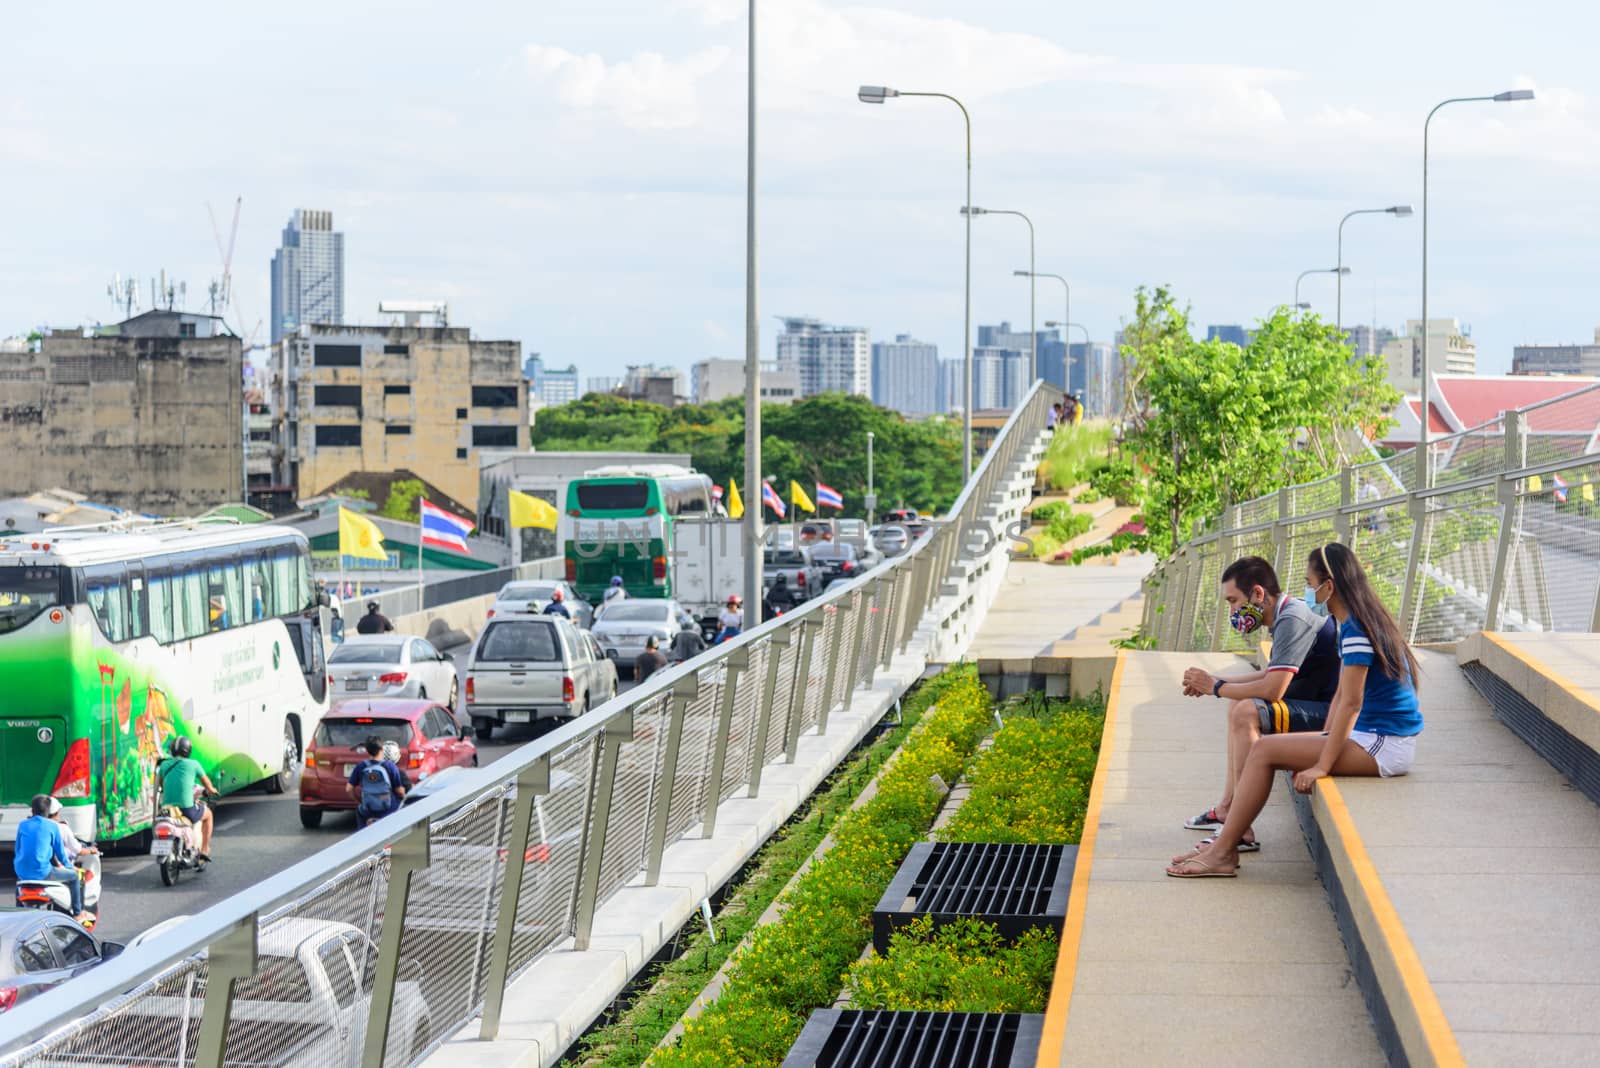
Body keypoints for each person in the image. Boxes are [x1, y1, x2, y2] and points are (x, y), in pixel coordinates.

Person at [1168, 543, 1422, 878]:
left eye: (1311, 582)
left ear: (1329, 586)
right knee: (1265, 749)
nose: (1308, 590)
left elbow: (1351, 703)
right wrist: (1319, 743)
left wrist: (1321, 765)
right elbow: (1341, 697)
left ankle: (1223, 852)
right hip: (1367, 736)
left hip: (1384, 745)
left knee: (1262, 752)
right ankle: (1223, 849)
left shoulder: (1356, 630)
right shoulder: (1353, 624)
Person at [1178, 556, 1340, 851]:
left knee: (1245, 710)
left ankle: (1240, 830)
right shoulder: (1285, 615)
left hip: (1330, 716)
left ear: (1257, 594)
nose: (1232, 610)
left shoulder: (1293, 618)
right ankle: (1228, 806)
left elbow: (1273, 690)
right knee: (1238, 705)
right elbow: (1272, 673)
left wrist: (1215, 687)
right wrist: (1214, 680)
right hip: (1315, 706)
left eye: (1233, 600)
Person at [13, 795, 90, 923]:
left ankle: (19, 914)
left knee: (19, 886)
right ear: (48, 811)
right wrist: (70, 868)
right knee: (74, 877)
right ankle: (78, 913)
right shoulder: (53, 826)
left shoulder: (23, 825)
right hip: (44, 873)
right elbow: (60, 854)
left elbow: (18, 850)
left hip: (21, 871)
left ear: (32, 810)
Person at [158, 736, 217, 861]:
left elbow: (161, 785)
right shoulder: (193, 764)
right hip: (186, 809)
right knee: (209, 815)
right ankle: (205, 850)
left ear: (173, 750)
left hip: (167, 809)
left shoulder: (164, 765)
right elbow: (206, 783)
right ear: (188, 750)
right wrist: (212, 790)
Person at [347, 738, 406, 825]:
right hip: (389, 808)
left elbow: (349, 789)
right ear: (382, 749)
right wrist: (404, 796)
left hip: (368, 808)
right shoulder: (390, 766)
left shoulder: (361, 766)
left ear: (367, 751)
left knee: (360, 812)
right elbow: (399, 791)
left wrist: (359, 802)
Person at [381, 740, 413, 811]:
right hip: (393, 808)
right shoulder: (399, 773)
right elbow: (408, 791)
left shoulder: (374, 771)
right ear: (396, 755)